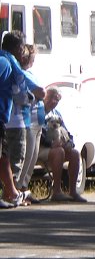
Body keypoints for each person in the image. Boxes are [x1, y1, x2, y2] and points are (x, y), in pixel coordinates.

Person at [0, 32, 45, 208]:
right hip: (7, 119)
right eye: (21, 48)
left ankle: (10, 193)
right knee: (11, 158)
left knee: (4, 158)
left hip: (4, 120)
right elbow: (19, 95)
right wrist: (32, 99)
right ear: (18, 48)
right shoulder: (8, 64)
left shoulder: (5, 61)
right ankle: (10, 193)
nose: (23, 52)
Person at [39, 87, 86, 202]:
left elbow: (65, 131)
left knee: (74, 153)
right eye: (51, 98)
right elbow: (37, 133)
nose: (54, 102)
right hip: (39, 147)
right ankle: (57, 191)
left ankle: (73, 192)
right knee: (59, 152)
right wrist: (51, 143)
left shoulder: (56, 114)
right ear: (45, 96)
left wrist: (70, 143)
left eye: (57, 100)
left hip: (55, 146)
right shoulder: (38, 111)